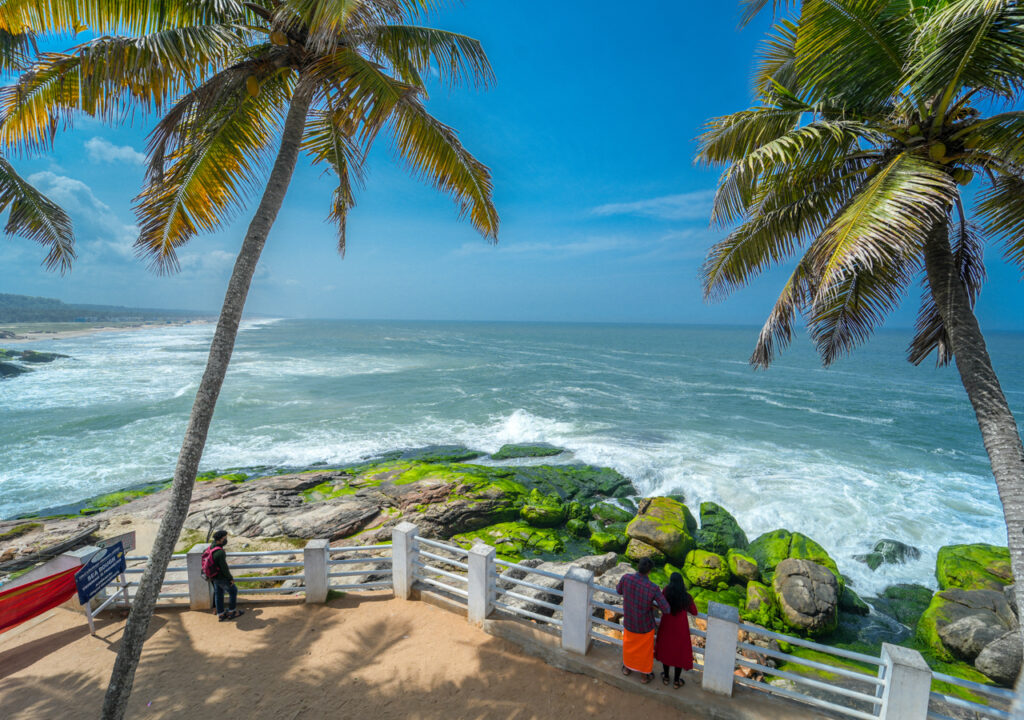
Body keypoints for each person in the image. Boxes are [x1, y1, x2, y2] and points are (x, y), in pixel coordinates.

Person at [616, 557, 670, 684]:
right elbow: (666, 609)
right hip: (644, 625)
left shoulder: (626, 578)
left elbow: (619, 590)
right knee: (644, 653)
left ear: (638, 566)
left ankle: (627, 669)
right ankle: (644, 677)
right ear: (649, 571)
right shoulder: (653, 588)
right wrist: (653, 605)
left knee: (629, 647)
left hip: (629, 621)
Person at [655, 572, 699, 688]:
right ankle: (676, 681)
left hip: (667, 624)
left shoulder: (666, 591)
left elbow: (661, 603)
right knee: (679, 652)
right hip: (680, 627)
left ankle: (666, 677)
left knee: (666, 648)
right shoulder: (686, 597)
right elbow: (695, 612)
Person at [209, 530, 244, 621]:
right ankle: (232, 612)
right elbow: (224, 568)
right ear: (220, 539)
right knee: (233, 591)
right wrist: (230, 579)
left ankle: (220, 614)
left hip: (214, 576)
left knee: (218, 594)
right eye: (225, 538)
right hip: (221, 577)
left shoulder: (211, 546)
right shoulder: (220, 552)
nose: (226, 540)